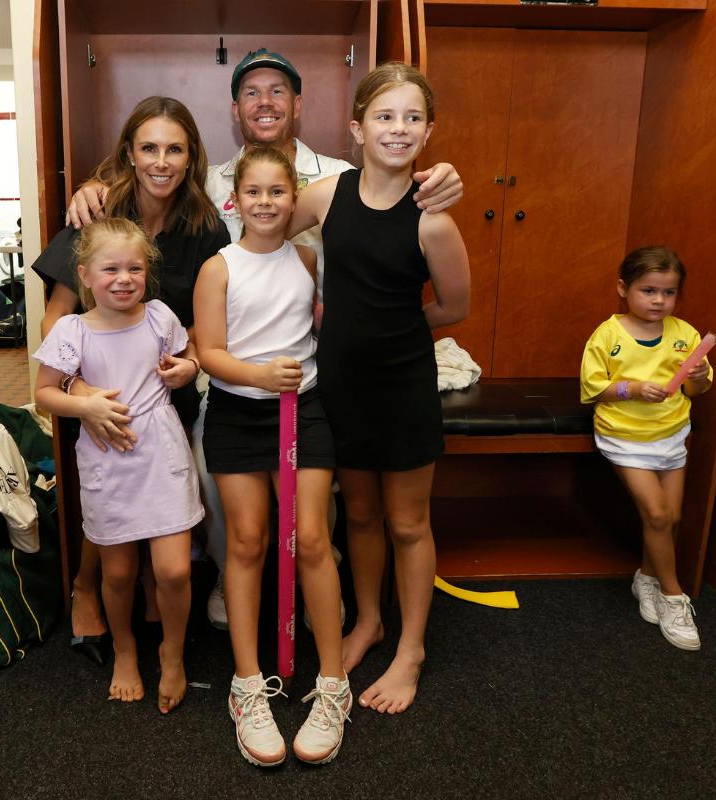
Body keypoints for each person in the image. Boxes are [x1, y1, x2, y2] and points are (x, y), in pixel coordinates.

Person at [66, 49, 464, 631]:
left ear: (299, 104)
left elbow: (395, 197)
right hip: (224, 360)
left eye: (278, 90)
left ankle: (315, 584)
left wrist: (440, 176)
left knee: (333, 498)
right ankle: (236, 576)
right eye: (252, 92)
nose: (266, 102)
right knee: (212, 469)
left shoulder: (332, 176)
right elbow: (154, 174)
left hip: (313, 362)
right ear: (236, 109)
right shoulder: (208, 182)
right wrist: (93, 185)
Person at [288, 63, 470, 714]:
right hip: (340, 379)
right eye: (386, 116)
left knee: (406, 521)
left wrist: (389, 328)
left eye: (413, 117)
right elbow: (269, 240)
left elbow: (453, 306)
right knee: (358, 513)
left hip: (403, 385)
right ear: (357, 127)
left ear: (428, 131)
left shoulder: (433, 220)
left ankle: (412, 649)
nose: (399, 129)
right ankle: (369, 620)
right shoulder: (325, 195)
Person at [31, 97, 229, 664]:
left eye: (175, 149)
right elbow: (57, 315)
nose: (162, 161)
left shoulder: (204, 226)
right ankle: (88, 588)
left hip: (166, 394)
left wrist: (182, 358)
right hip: (97, 390)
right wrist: (76, 388)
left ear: (192, 159)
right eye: (149, 148)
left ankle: (151, 595)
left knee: (158, 492)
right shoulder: (95, 215)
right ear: (129, 153)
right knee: (109, 494)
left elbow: (207, 321)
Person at [194, 147, 349, 766]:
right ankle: (246, 686)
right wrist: (259, 376)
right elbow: (208, 352)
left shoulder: (309, 258)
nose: (264, 202)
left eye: (277, 192)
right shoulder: (218, 267)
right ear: (235, 200)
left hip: (303, 409)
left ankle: (333, 684)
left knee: (311, 538)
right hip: (239, 412)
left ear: (295, 199)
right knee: (248, 540)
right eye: (252, 192)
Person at [33, 217, 203, 712]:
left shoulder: (159, 317)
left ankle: (172, 654)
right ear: (84, 275)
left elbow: (188, 357)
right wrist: (84, 405)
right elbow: (43, 393)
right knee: (120, 571)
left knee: (173, 571)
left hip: (162, 456)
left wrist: (187, 369)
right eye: (110, 269)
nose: (124, 279)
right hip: (108, 462)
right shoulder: (72, 330)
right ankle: (126, 650)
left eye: (134, 268)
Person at [580, 245, 712, 651]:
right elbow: (591, 389)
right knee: (655, 512)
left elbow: (698, 389)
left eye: (668, 293)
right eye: (649, 290)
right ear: (624, 288)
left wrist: (701, 374)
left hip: (671, 433)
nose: (659, 301)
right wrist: (633, 388)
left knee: (670, 519)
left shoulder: (685, 334)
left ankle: (647, 578)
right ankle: (675, 597)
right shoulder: (608, 334)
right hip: (625, 435)